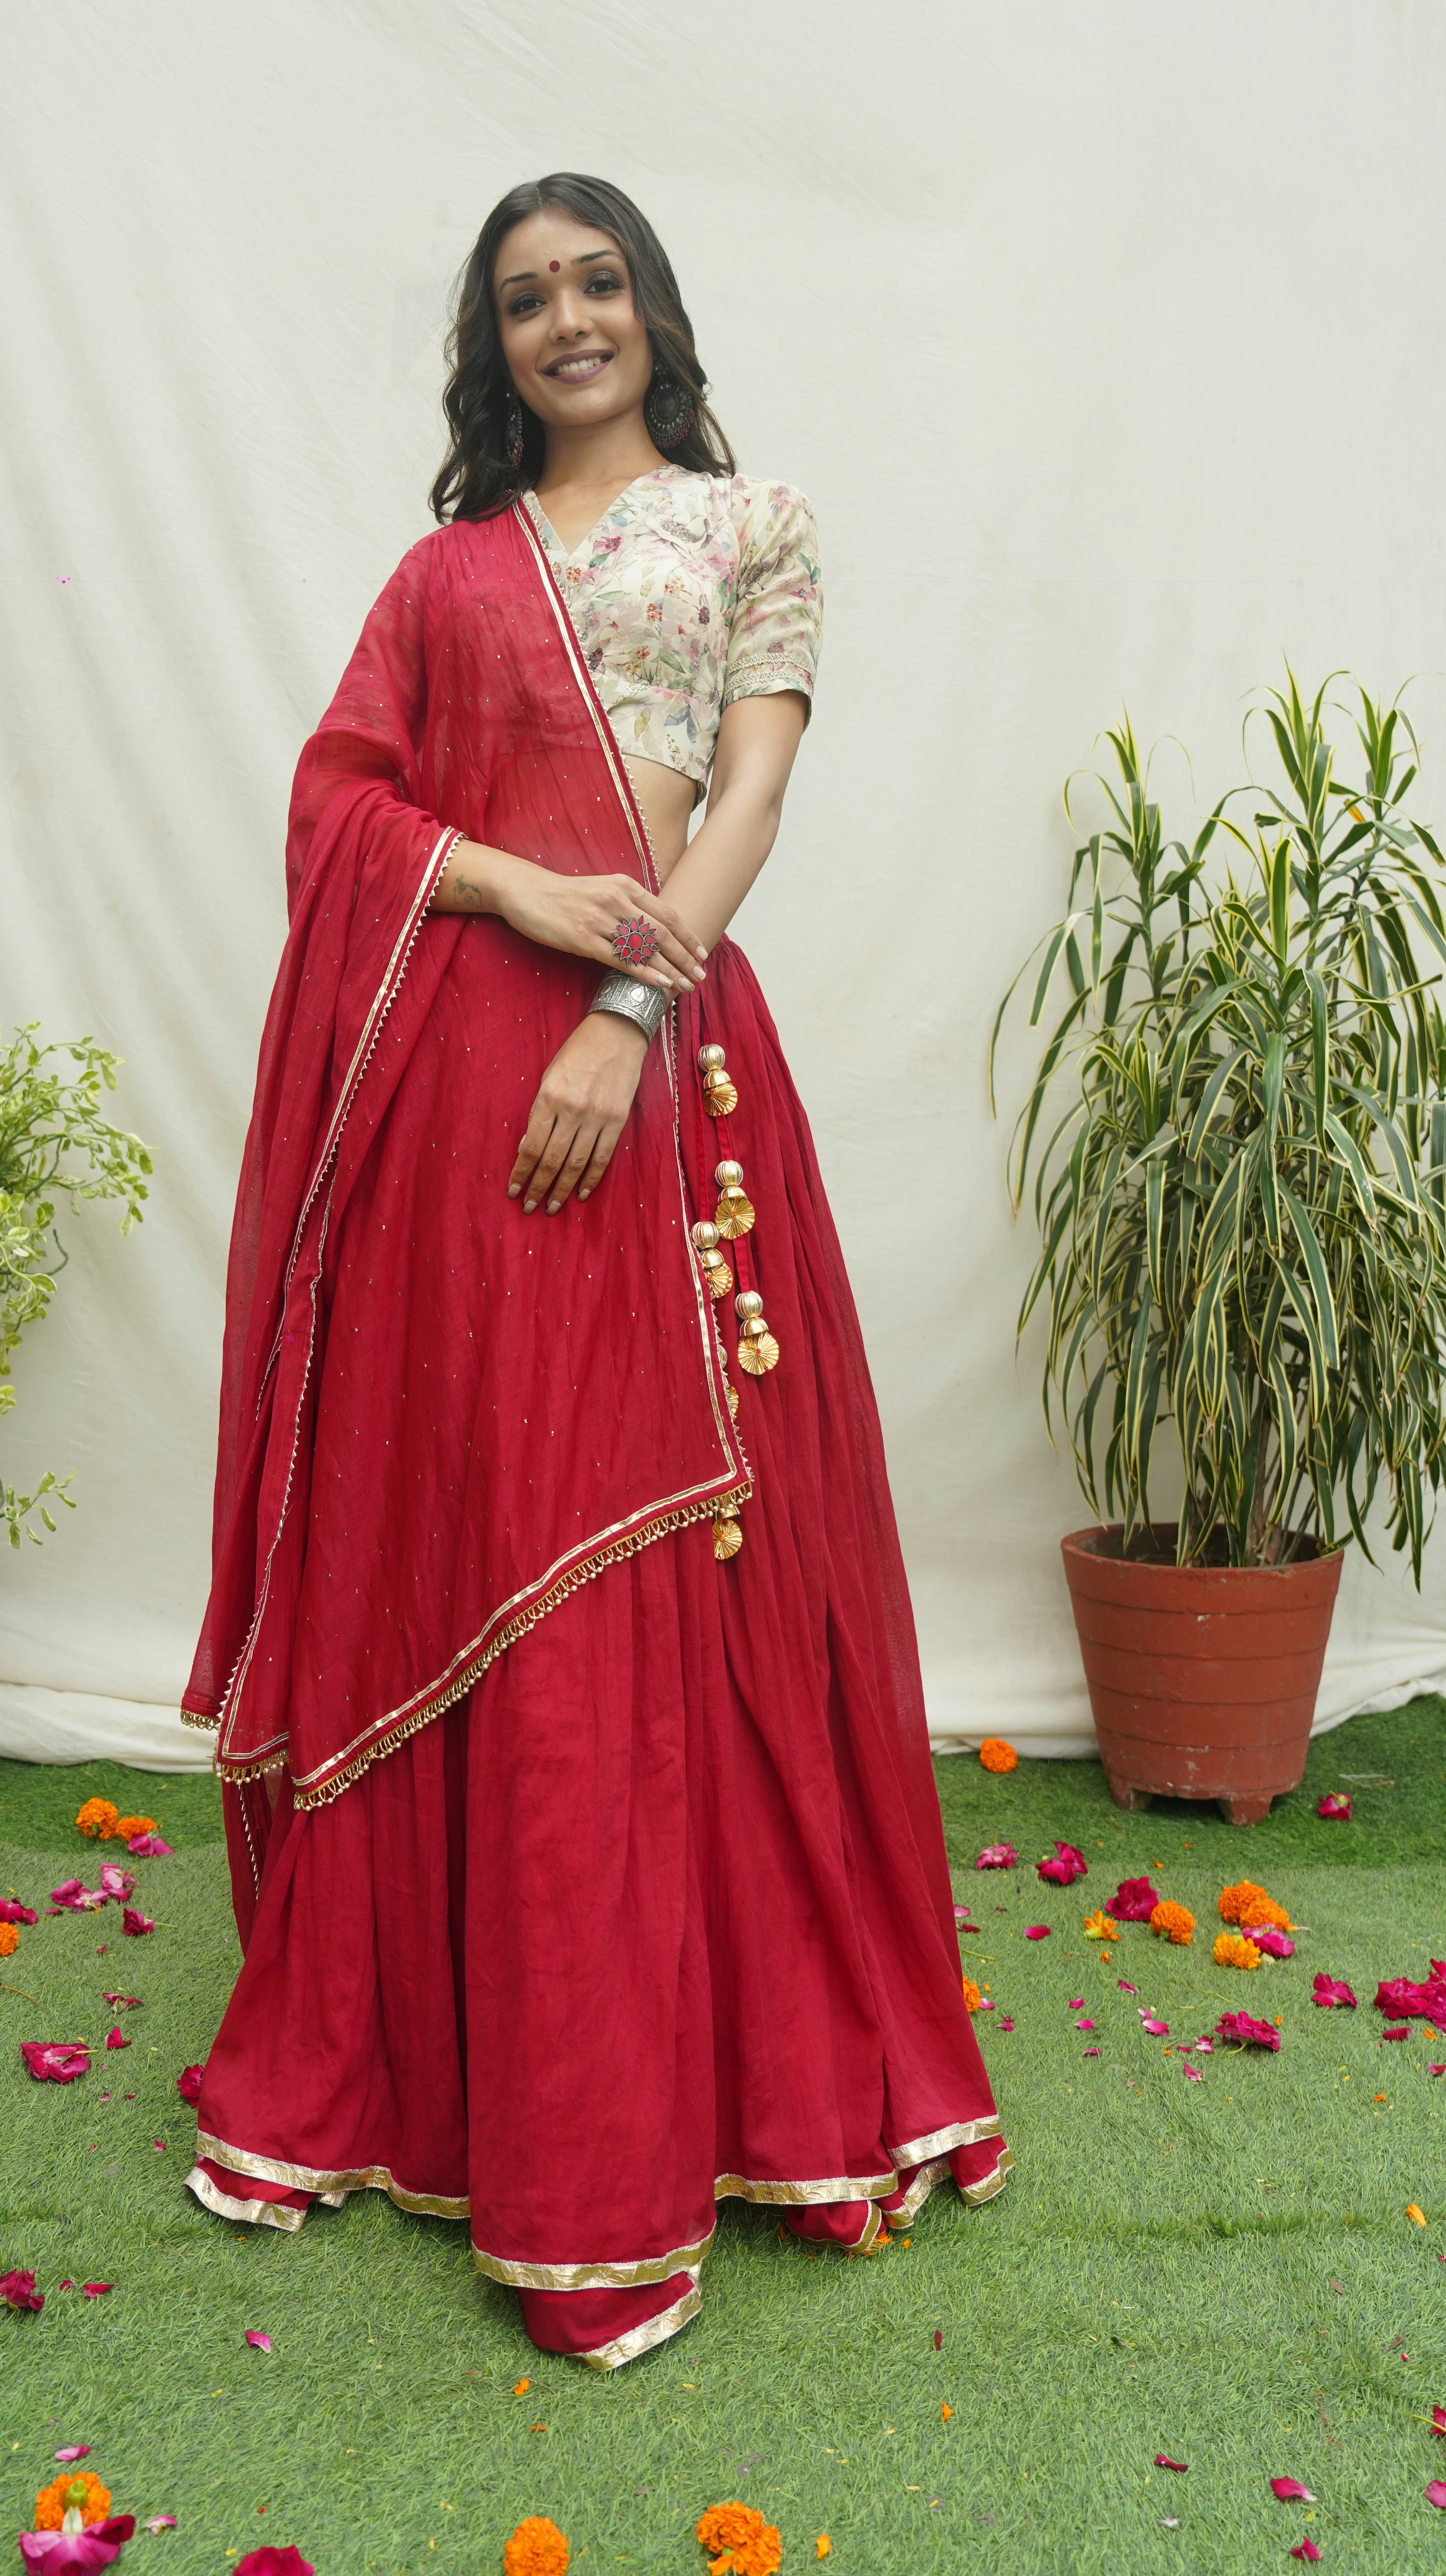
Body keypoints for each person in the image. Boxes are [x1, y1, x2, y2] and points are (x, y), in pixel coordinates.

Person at [180, 173, 1006, 2370]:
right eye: (525, 299)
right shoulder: (446, 574)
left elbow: (744, 803)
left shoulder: (756, 529)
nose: (567, 322)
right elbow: (332, 801)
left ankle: (678, 2093)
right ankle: (458, 2077)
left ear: (654, 308)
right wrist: (523, 900)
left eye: (596, 284)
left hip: (661, 1085)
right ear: (492, 343)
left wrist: (627, 1012)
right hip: (459, 1101)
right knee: (491, 1528)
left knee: (667, 1565)